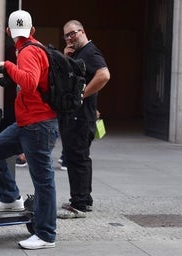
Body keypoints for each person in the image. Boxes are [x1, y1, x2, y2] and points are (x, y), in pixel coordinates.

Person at [0, 10, 59, 250]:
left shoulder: (28, 51)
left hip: (38, 125)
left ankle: (46, 235)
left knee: (43, 180)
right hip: (28, 123)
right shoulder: (31, 49)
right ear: (32, 30)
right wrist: (8, 69)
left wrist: (6, 65)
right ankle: (10, 198)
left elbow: (29, 82)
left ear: (8, 32)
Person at [57, 20, 110, 219]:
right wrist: (66, 57)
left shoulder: (90, 52)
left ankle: (79, 204)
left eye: (73, 33)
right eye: (67, 35)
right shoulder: (79, 53)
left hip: (80, 117)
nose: (70, 37)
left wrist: (82, 95)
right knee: (76, 157)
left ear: (83, 32)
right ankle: (82, 200)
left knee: (77, 158)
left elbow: (104, 75)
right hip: (78, 115)